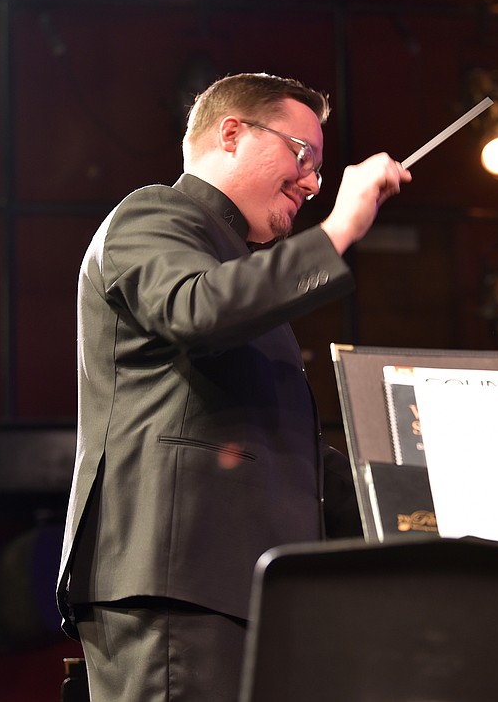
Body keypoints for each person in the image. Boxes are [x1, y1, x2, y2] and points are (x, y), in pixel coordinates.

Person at [56, 72, 411, 701]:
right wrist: (338, 231)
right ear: (231, 134)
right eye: (304, 156)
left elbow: (286, 456)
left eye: (320, 171)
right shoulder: (154, 214)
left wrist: (420, 493)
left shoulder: (242, 272)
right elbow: (198, 310)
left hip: (242, 590)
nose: (311, 182)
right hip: (178, 581)